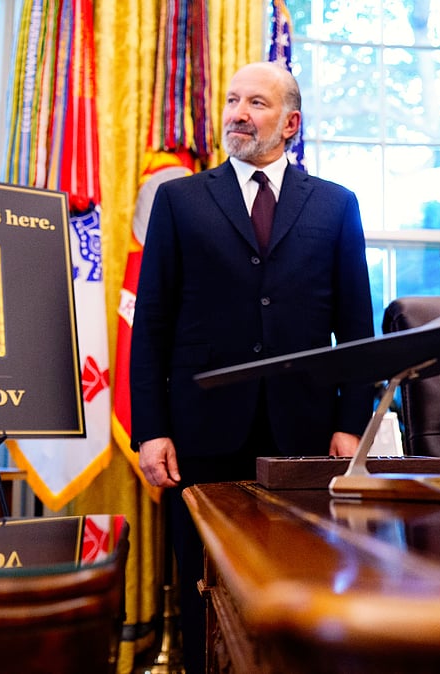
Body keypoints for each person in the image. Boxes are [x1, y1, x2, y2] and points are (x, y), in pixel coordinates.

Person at [130, 61, 374, 671]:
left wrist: (351, 424)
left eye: (256, 103)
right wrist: (151, 429)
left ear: (290, 123)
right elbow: (152, 321)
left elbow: (356, 328)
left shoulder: (336, 205)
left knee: (299, 588)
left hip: (305, 437)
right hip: (200, 435)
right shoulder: (179, 200)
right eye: (233, 100)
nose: (238, 114)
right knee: (204, 589)